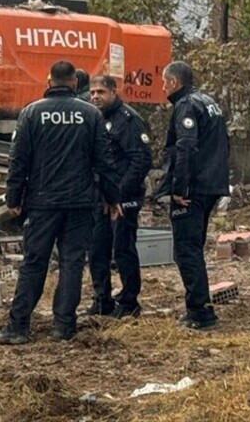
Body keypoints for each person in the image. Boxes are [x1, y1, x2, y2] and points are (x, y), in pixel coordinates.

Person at [0, 61, 121, 345]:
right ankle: (63, 326)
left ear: (49, 81)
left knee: (34, 263)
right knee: (72, 263)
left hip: (42, 202)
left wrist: (14, 197)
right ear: (75, 83)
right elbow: (105, 161)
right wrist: (113, 198)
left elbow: (18, 160)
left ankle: (18, 328)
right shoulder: (91, 115)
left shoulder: (31, 112)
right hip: (80, 202)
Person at [156, 60, 231, 330]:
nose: (163, 87)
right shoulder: (209, 102)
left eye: (164, 82)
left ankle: (199, 311)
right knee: (194, 247)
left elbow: (185, 146)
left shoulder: (186, 105)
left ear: (174, 82)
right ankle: (200, 304)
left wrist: (178, 188)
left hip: (193, 188)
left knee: (186, 250)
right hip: (211, 184)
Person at [87, 74, 152, 318]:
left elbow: (141, 160)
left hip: (125, 197)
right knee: (96, 249)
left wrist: (119, 196)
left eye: (101, 92)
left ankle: (129, 301)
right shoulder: (94, 119)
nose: (95, 97)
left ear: (114, 92)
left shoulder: (128, 120)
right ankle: (101, 299)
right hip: (101, 197)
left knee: (122, 248)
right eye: (92, 92)